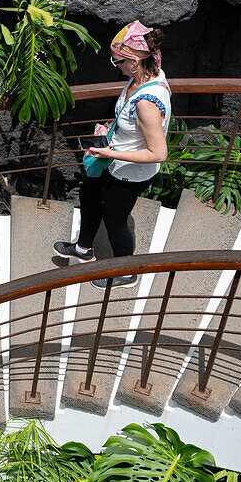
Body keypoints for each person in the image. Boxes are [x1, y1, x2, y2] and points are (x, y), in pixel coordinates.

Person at [54, 21, 171, 289]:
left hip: (130, 172)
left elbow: (158, 153)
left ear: (133, 61)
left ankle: (126, 272)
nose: (115, 65)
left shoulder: (146, 102)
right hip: (115, 158)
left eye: (116, 61)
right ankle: (84, 248)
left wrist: (109, 151)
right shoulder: (142, 77)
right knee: (89, 194)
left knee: (115, 220)